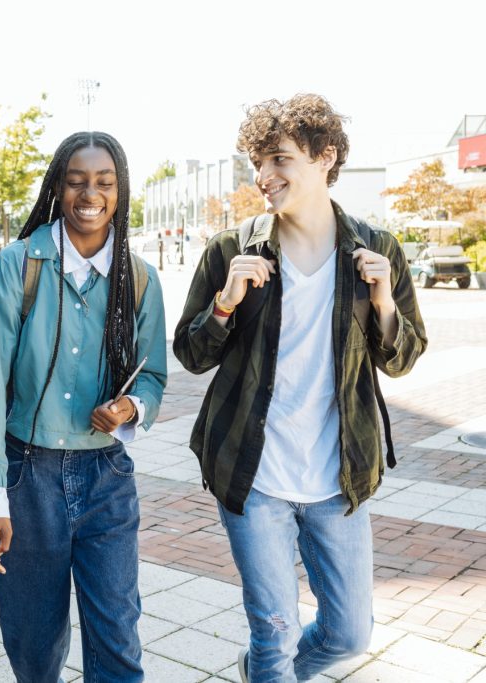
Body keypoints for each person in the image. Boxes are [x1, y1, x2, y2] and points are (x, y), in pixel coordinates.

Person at [172, 94, 427, 683]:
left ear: (324, 158)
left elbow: (404, 358)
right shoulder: (233, 249)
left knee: (348, 634)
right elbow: (190, 353)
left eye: (279, 159)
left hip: (338, 477)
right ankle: (268, 668)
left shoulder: (377, 251)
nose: (264, 176)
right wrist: (224, 304)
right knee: (275, 633)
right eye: (257, 163)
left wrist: (384, 302)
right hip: (252, 473)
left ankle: (261, 672)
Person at [0, 131, 168, 682]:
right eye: (77, 180)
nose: (90, 193)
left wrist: (130, 406)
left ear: (120, 191)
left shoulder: (141, 278)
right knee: (34, 645)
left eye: (105, 182)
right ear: (58, 186)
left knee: (118, 640)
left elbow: (152, 376)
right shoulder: (18, 265)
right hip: (27, 479)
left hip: (108, 477)